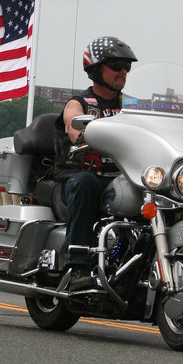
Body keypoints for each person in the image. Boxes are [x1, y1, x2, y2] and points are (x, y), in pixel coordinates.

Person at [54, 36, 137, 288]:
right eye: (115, 66)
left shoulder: (132, 106)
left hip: (121, 178)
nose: (122, 71)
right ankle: (77, 266)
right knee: (85, 183)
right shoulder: (78, 103)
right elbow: (73, 126)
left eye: (126, 66)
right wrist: (82, 133)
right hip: (80, 176)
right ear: (95, 69)